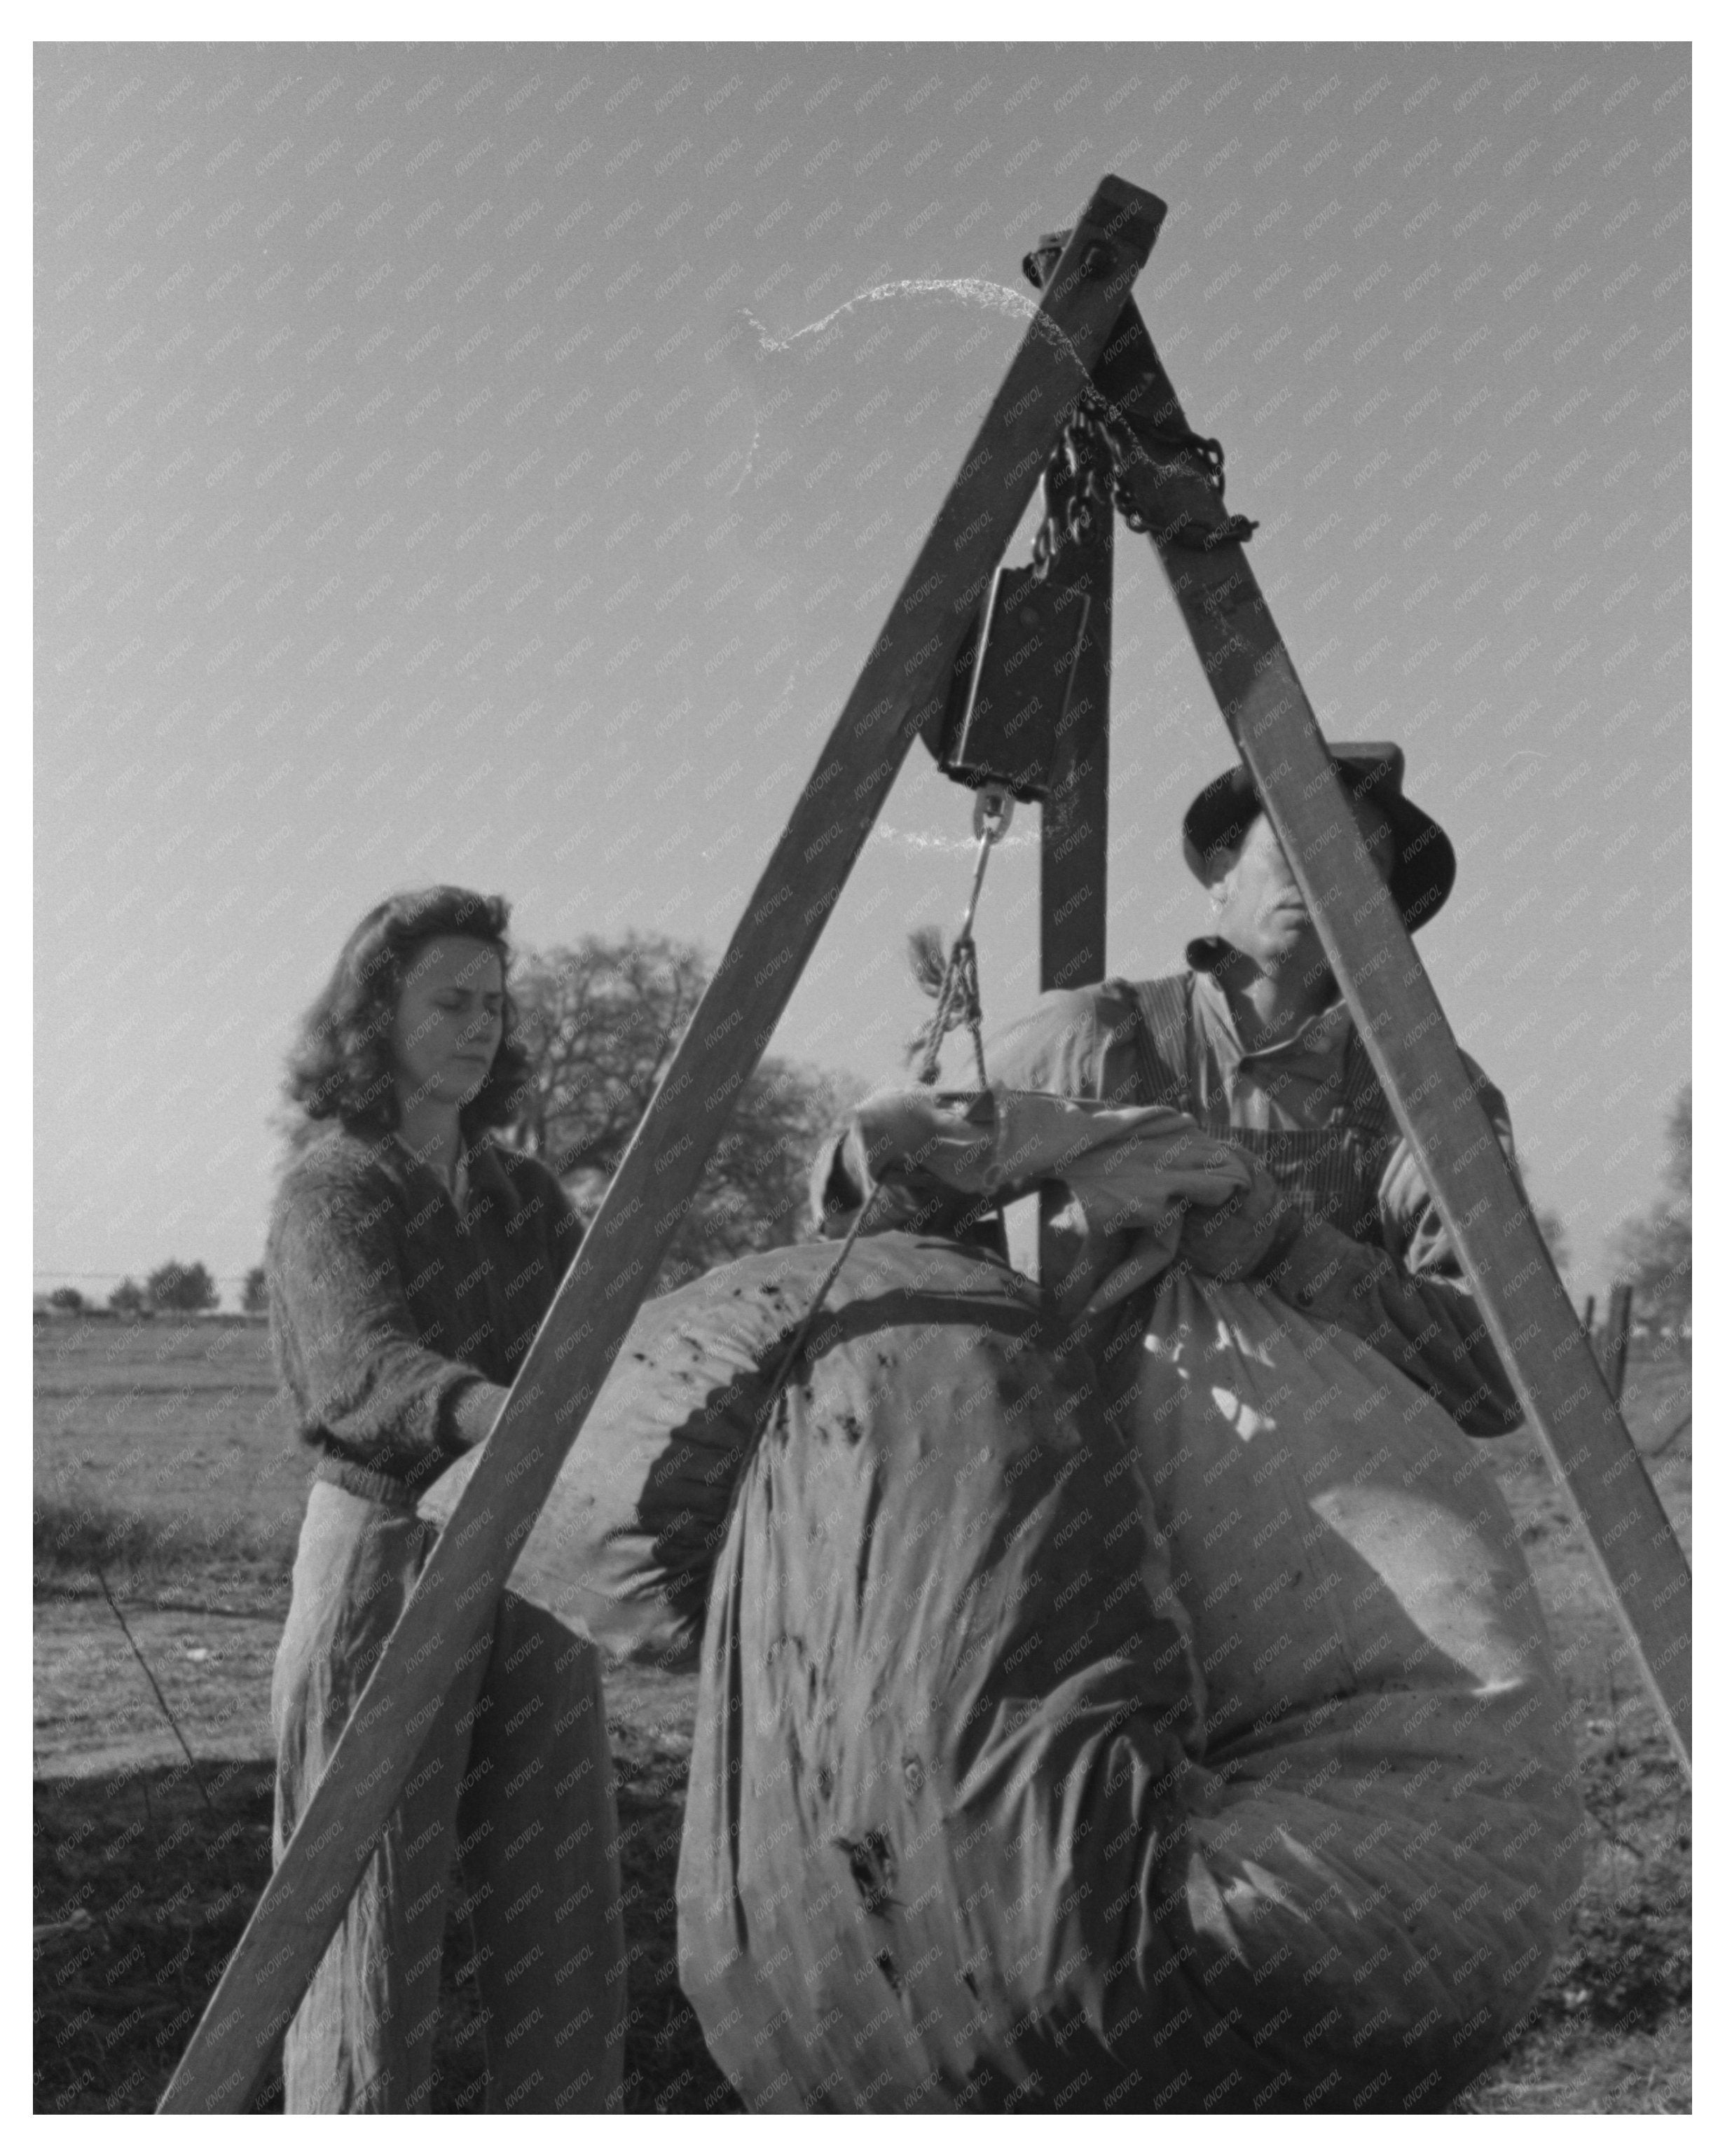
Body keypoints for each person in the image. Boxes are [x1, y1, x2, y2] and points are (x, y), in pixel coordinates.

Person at [265, 886, 626, 2113]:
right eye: (450, 1000)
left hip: (533, 1555)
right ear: (379, 1013)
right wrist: (508, 1417)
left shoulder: (528, 1197)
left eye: (494, 1001)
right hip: (386, 1551)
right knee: (368, 1910)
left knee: (562, 1906)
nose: (481, 1024)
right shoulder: (335, 1184)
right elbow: (361, 1368)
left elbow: (601, 1344)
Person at [983, 741, 1525, 1435]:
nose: (1322, 878)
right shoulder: (1092, 1038)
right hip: (1090, 1475)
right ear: (1218, 874)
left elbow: (1505, 1371)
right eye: (1295, 846)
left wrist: (1289, 1251)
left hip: (1329, 1495)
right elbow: (877, 1187)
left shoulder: (1428, 1097)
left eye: (1361, 864)